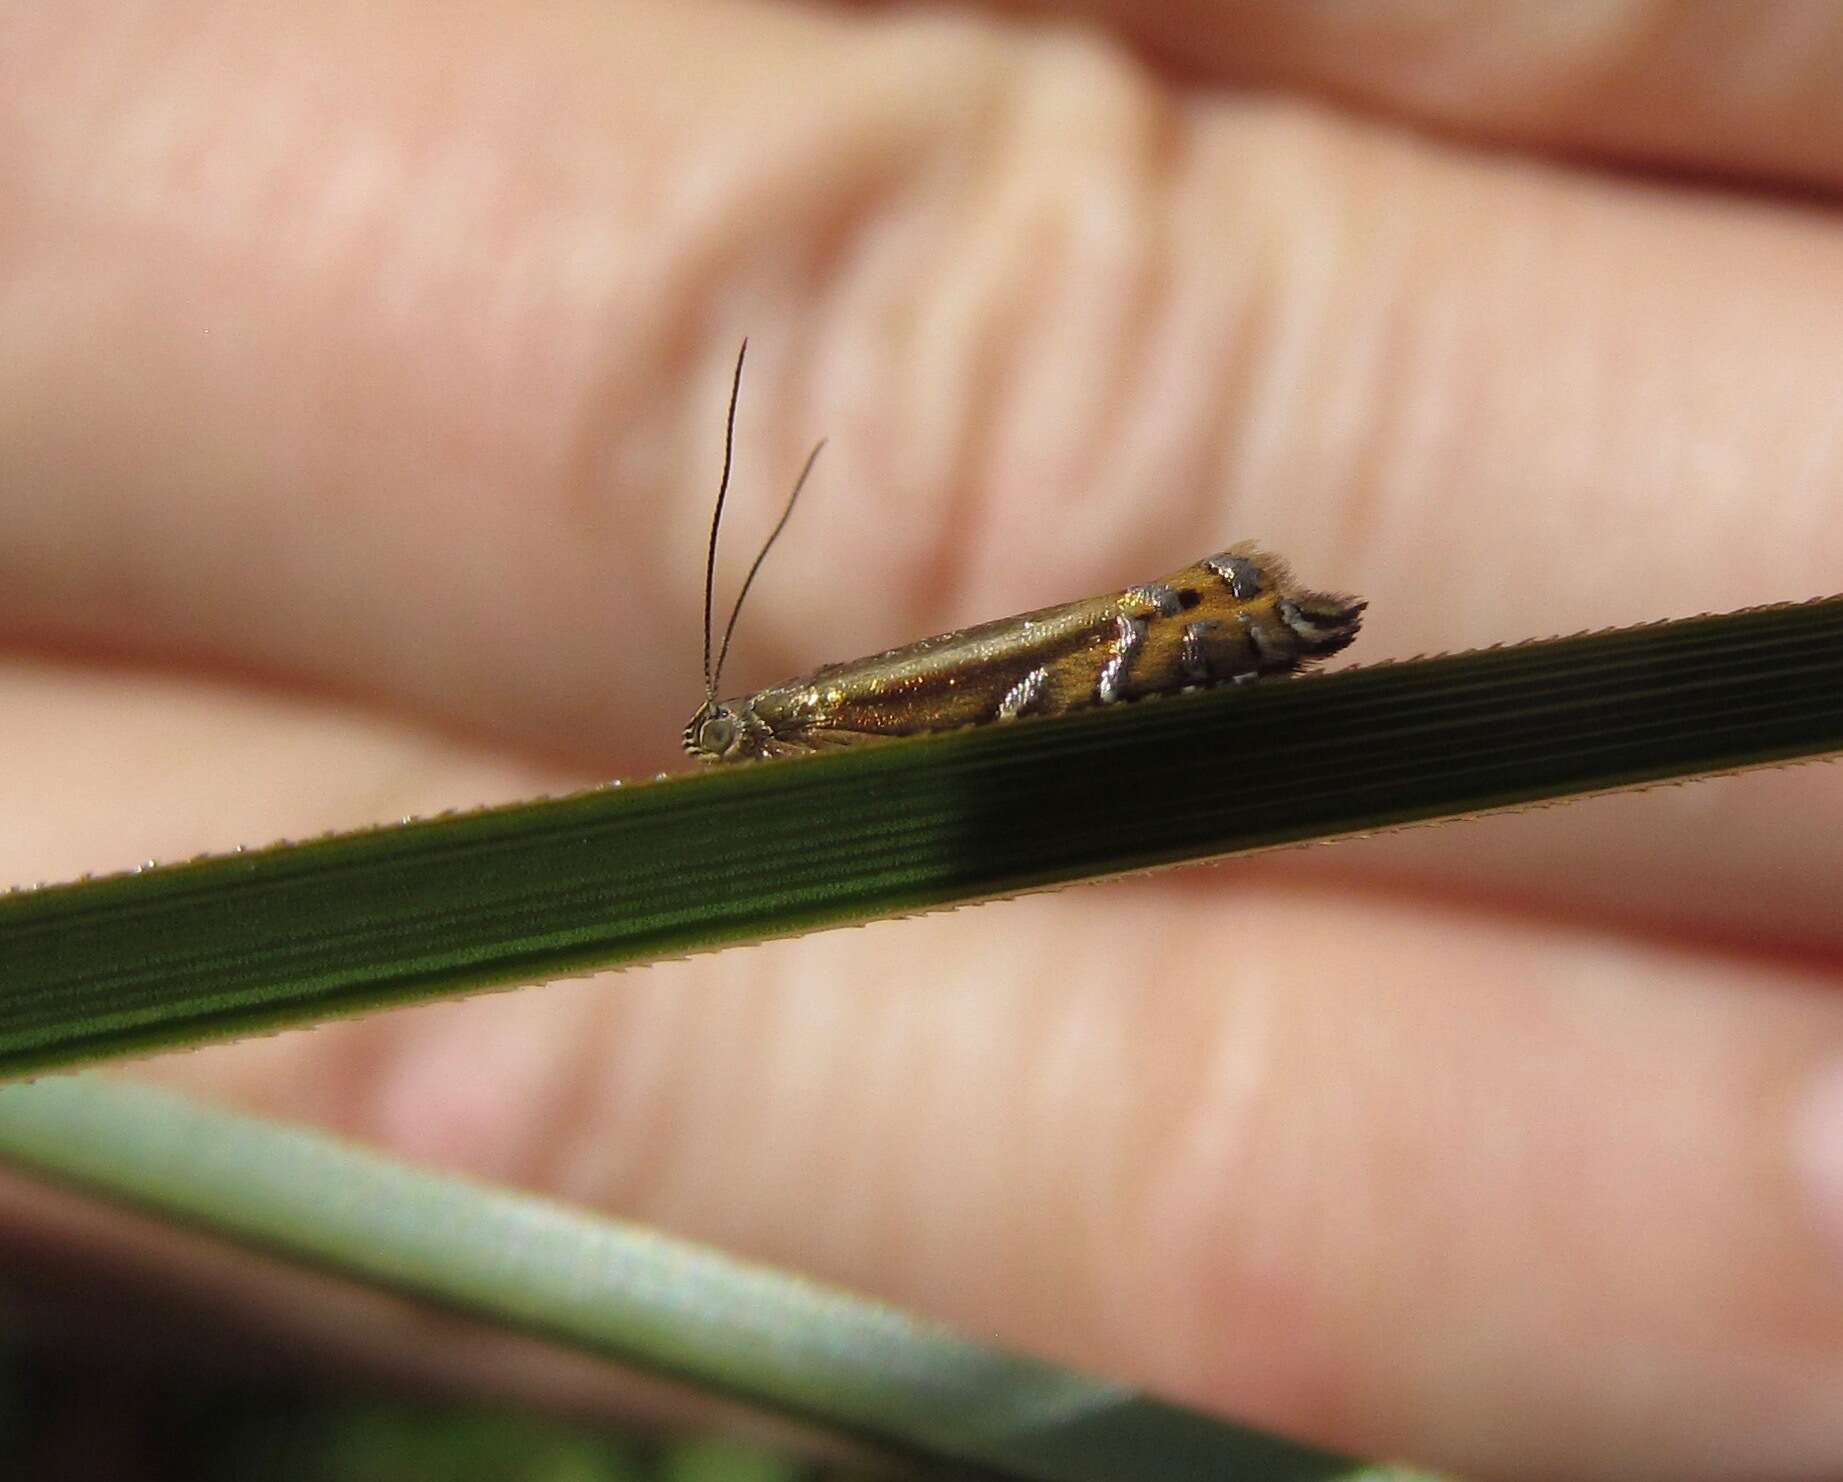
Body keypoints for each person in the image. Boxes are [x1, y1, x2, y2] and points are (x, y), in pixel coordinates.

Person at [4, 3, 1842, 1476]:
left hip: (1084, 667)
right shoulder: (777, 730)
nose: (734, 741)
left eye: (743, 732)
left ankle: (1230, 621)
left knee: (1065, 612)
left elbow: (997, 705)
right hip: (1076, 694)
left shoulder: (823, 714)